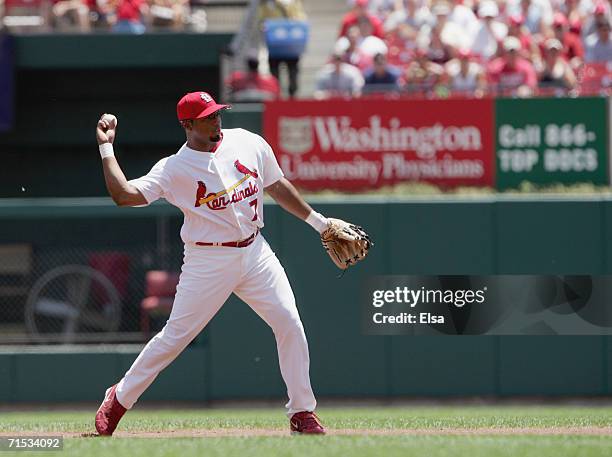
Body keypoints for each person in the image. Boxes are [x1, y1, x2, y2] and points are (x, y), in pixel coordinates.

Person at [94, 91, 333, 436]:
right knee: (174, 337)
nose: (216, 119)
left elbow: (277, 186)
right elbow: (124, 195)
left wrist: (320, 224)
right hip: (207, 259)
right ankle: (118, 399)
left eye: (217, 113)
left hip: (255, 252)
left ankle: (301, 412)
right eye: (207, 117)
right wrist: (106, 148)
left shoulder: (247, 142)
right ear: (188, 125)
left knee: (289, 323)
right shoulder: (174, 168)